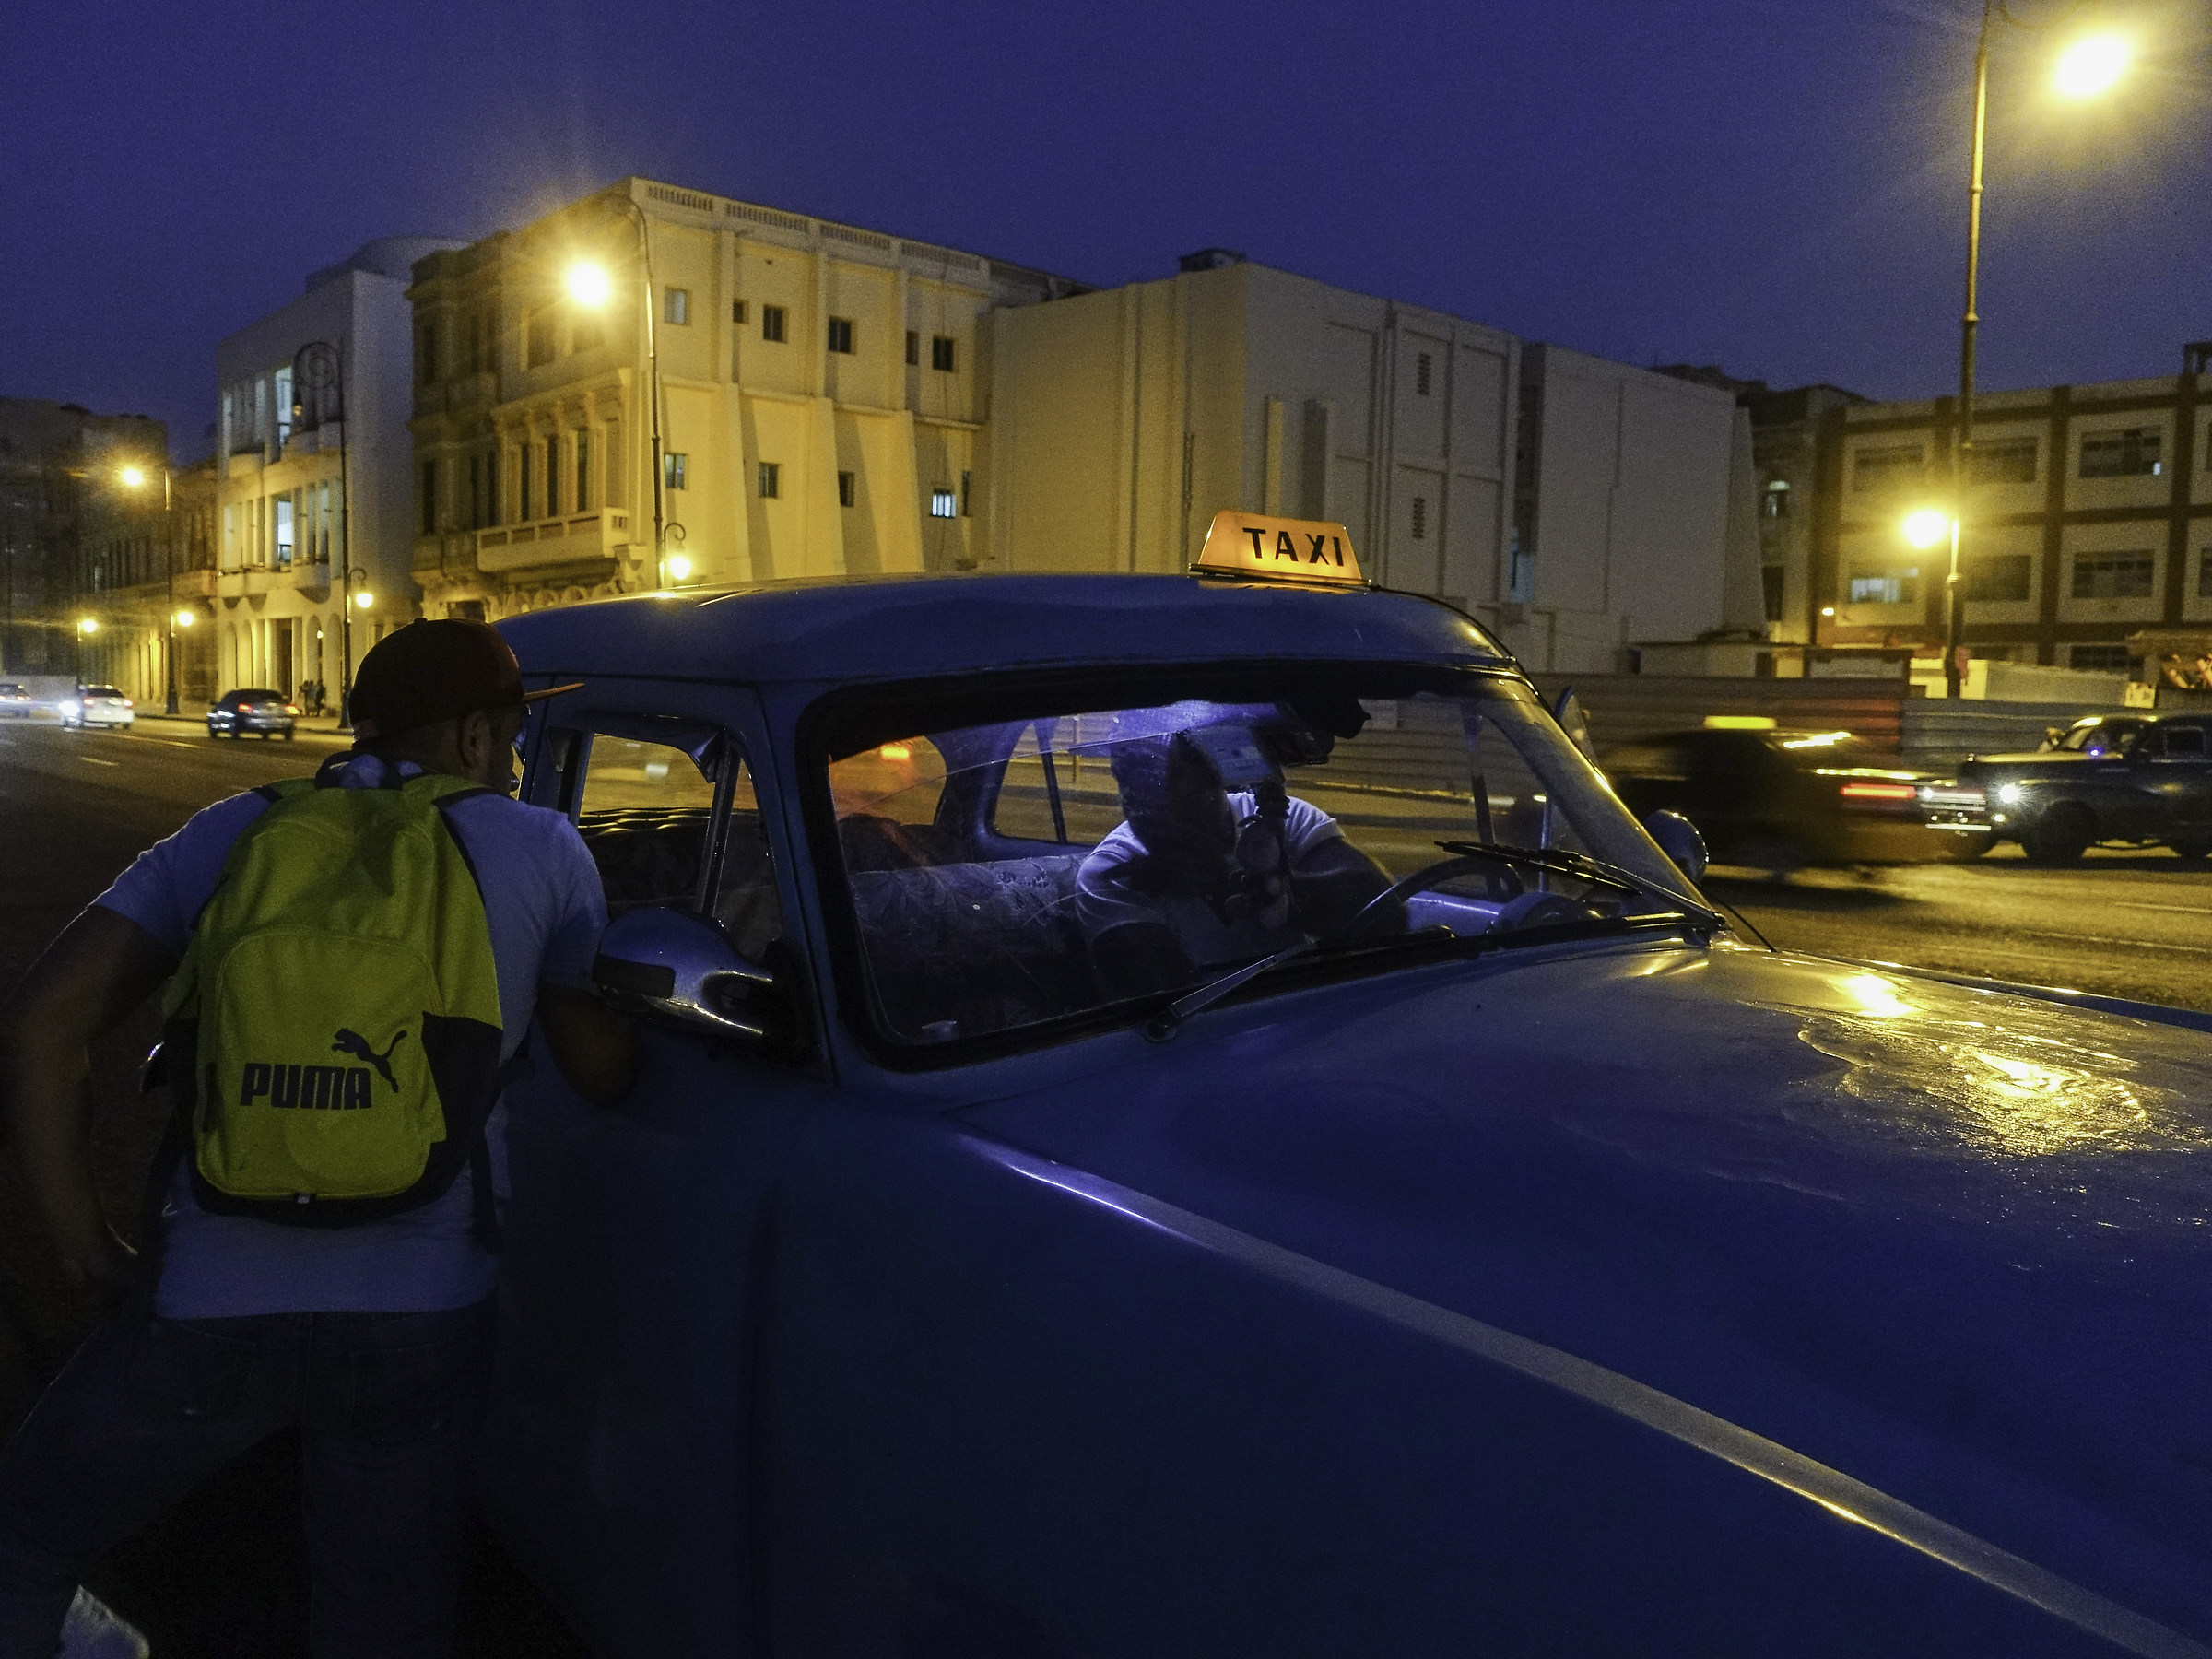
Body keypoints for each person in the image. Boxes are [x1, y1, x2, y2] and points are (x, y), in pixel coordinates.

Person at [0, 618, 636, 1657]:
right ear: (475, 737)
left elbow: (41, 1027)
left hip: (205, 1307)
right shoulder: (545, 848)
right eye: (514, 734)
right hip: (421, 1310)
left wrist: (84, 1242)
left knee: (24, 1543)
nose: (514, 756)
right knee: (380, 1612)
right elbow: (601, 1071)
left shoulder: (230, 831)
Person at [1076, 718, 1400, 998]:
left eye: (1161, 779)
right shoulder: (1111, 871)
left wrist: (1282, 893)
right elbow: (1163, 1007)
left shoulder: (1287, 819)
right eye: (1126, 779)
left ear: (1213, 774)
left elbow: (1387, 911)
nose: (1135, 799)